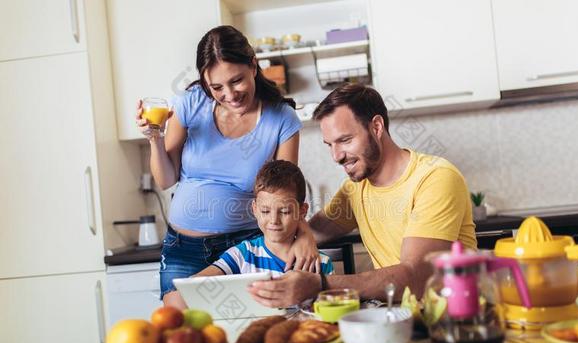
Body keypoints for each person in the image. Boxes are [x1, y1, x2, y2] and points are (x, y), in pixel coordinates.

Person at [135, 26, 320, 308]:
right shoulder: (190, 104)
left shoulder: (281, 118)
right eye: (217, 87)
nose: (230, 94)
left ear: (253, 66)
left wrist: (304, 232)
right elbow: (165, 178)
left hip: (246, 247)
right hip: (183, 249)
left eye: (237, 81)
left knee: (247, 329)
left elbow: (285, 189)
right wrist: (155, 138)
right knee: (182, 333)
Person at [248, 84, 477, 307]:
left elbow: (416, 276)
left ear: (376, 127)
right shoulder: (356, 189)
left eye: (345, 140)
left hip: (457, 318)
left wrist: (320, 284)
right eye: (329, 145)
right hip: (404, 317)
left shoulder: (435, 177)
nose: (336, 156)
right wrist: (305, 233)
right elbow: (314, 229)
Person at [167, 161, 332, 309]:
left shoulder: (320, 263)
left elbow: (331, 310)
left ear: (302, 211)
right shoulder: (242, 254)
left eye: (285, 211)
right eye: (265, 211)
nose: (274, 220)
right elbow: (195, 284)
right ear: (254, 209)